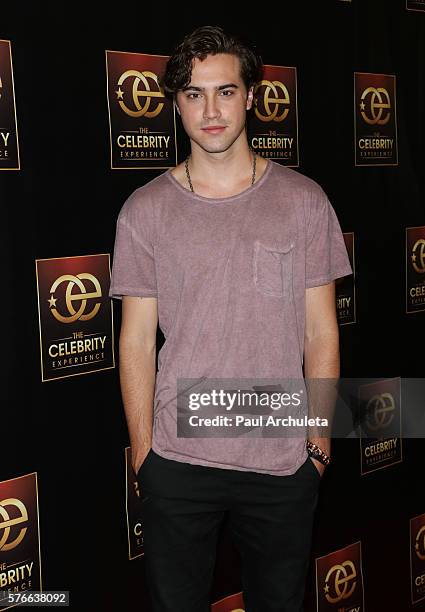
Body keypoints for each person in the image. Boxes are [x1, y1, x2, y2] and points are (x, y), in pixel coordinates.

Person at [109, 24, 353, 612]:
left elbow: (321, 331)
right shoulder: (145, 211)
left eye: (224, 91)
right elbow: (137, 342)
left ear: (250, 96)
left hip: (279, 460)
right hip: (178, 463)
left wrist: (317, 441)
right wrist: (145, 455)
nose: (210, 110)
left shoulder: (302, 201)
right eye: (193, 94)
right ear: (175, 105)